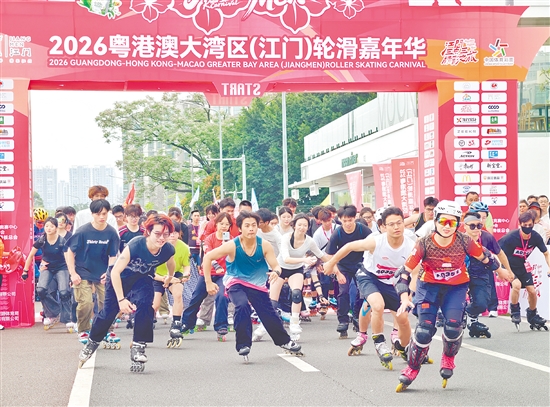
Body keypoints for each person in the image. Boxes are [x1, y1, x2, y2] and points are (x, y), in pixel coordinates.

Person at [395, 200, 495, 391]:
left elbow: (486, 258)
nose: (447, 226)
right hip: (429, 287)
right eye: (443, 222)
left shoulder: (464, 240)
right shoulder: (424, 243)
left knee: (453, 326)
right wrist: (404, 297)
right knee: (424, 330)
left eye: (452, 222)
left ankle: (448, 357)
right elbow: (404, 274)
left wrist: (505, 272)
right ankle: (412, 368)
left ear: (458, 224)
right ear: (435, 221)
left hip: (455, 288)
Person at [78, 214, 176, 372]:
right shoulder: (136, 244)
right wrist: (121, 300)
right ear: (148, 232)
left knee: (146, 305)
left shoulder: (168, 249)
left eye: (165, 234)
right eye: (157, 234)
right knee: (109, 313)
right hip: (119, 278)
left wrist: (170, 277)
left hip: (142, 279)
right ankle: (92, 342)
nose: (161, 238)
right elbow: (115, 272)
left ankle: (138, 346)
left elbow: (171, 262)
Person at [203, 211, 302, 361]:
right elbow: (208, 257)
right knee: (242, 305)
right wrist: (208, 282)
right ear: (240, 228)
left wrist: (275, 272)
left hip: (257, 285)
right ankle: (243, 345)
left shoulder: (264, 245)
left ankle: (285, 341)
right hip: (236, 282)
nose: (251, 228)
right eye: (247, 225)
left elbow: (276, 265)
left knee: (268, 312)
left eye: (254, 225)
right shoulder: (232, 245)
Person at [324, 207, 414, 366]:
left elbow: (416, 274)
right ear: (383, 226)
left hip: (393, 282)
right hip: (370, 277)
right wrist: (331, 263)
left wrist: (408, 296)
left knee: (403, 318)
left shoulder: (411, 246)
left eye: (399, 223)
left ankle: (404, 347)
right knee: (376, 305)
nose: (396, 227)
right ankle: (377, 341)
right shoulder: (375, 241)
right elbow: (349, 246)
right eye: (391, 224)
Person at [65, 199, 120, 343]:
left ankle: (108, 330)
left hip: (102, 273)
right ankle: (83, 330)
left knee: (106, 302)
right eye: (98, 214)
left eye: (104, 213)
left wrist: (109, 272)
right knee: (86, 302)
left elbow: (113, 255)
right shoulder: (83, 231)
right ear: (92, 214)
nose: (101, 217)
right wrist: (73, 273)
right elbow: (70, 251)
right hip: (83, 271)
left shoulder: (111, 232)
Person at [269, 213, 330, 341]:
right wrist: (304, 260)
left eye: (305, 225)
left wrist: (334, 265)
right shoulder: (286, 238)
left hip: (296, 270)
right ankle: (265, 326)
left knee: (296, 294)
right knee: (273, 301)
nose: (302, 227)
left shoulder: (309, 241)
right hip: (280, 269)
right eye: (300, 225)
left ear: (308, 227)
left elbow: (321, 255)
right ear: (294, 225)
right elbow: (286, 258)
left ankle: (295, 323)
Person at [179, 213, 231, 341]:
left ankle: (221, 327)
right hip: (207, 273)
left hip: (223, 275)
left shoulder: (232, 240)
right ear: (216, 224)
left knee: (222, 297)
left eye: (227, 224)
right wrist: (216, 265)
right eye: (222, 223)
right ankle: (186, 324)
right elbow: (209, 255)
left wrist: (227, 245)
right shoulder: (209, 239)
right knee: (196, 298)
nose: (224, 226)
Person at [462, 211, 514, 337]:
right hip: (462, 275)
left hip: (481, 274)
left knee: (482, 304)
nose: (476, 229)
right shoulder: (459, 240)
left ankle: (469, 314)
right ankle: (459, 316)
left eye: (479, 225)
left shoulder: (487, 237)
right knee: (455, 302)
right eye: (472, 226)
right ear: (465, 226)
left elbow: (498, 254)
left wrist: (508, 270)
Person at [498, 211, 550, 331]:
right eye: (524, 225)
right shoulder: (510, 237)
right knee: (516, 285)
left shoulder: (535, 237)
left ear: (534, 224)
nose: (527, 227)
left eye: (530, 225)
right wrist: (499, 269)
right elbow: (497, 251)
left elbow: (546, 253)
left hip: (522, 266)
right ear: (520, 224)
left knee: (532, 291)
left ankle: (532, 314)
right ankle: (515, 310)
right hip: (508, 266)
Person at [326, 205, 371, 338]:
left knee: (361, 292)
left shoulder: (363, 230)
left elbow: (374, 245)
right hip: (343, 266)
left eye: (350, 220)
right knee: (343, 291)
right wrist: (337, 273)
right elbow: (330, 256)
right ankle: (343, 321)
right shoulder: (338, 233)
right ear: (340, 220)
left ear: (355, 218)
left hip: (361, 265)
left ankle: (357, 317)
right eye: (344, 221)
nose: (347, 223)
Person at [23, 217, 72, 331]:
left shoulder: (62, 241)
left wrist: (71, 274)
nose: (49, 228)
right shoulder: (42, 240)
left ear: (56, 228)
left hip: (62, 268)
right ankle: (53, 314)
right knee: (41, 290)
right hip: (47, 268)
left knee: (64, 292)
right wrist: (25, 271)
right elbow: (31, 255)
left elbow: (68, 258)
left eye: (51, 226)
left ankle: (68, 319)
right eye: (47, 226)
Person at [153, 222, 190, 346]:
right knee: (155, 304)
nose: (172, 236)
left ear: (179, 234)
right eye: (169, 233)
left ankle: (176, 324)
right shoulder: (157, 246)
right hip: (157, 275)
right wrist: (164, 279)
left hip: (174, 274)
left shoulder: (184, 247)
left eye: (175, 233)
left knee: (178, 293)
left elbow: (186, 266)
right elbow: (150, 271)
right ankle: (145, 325)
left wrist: (185, 275)